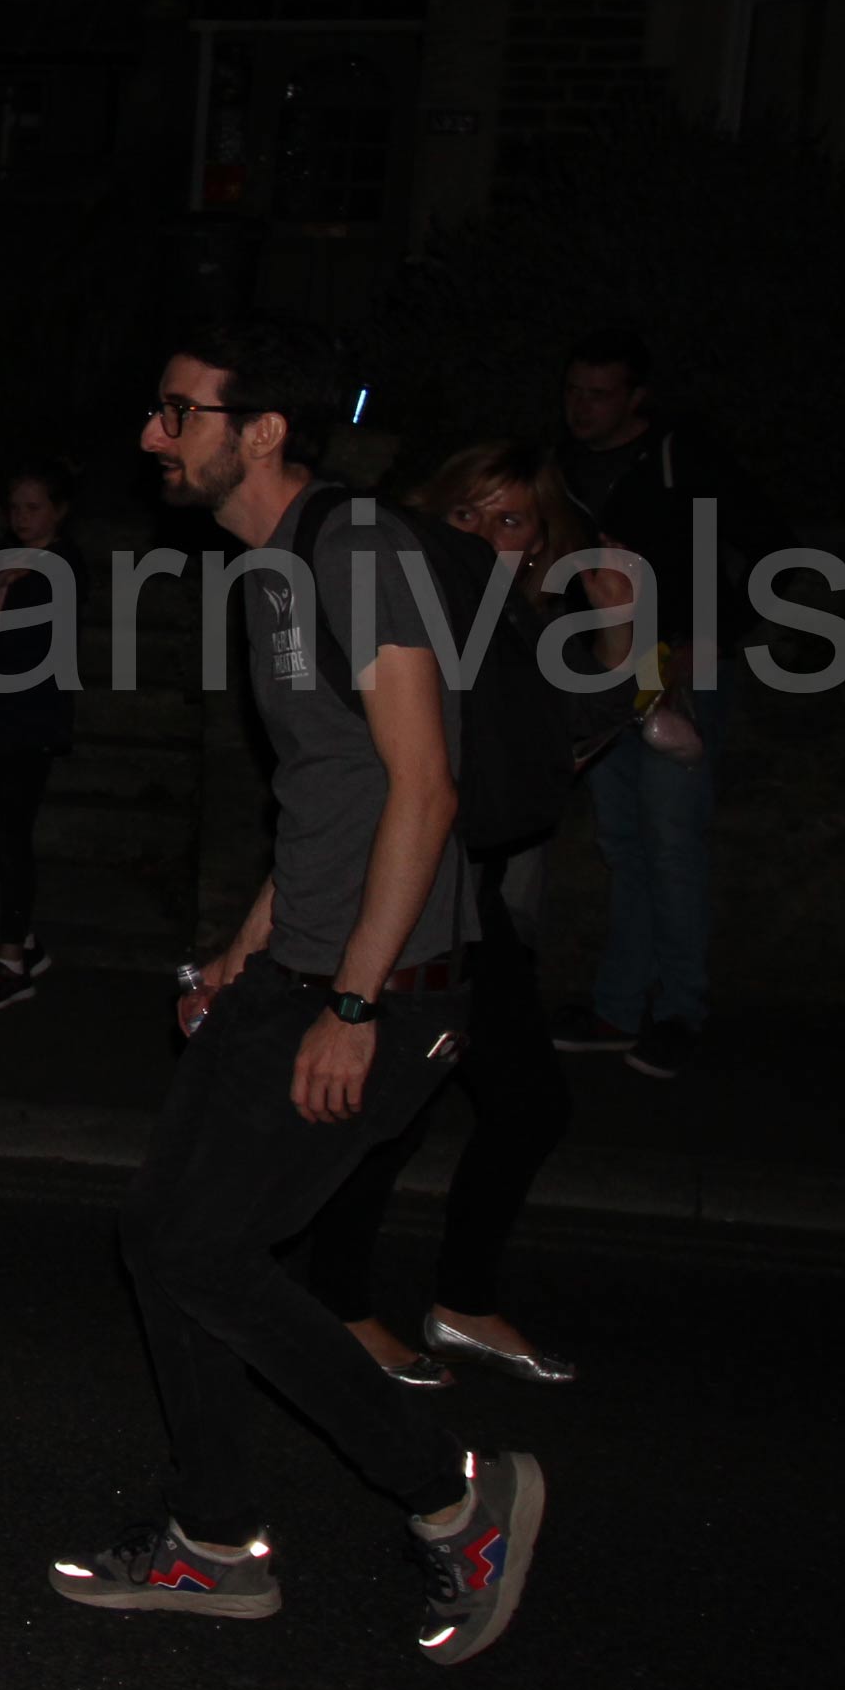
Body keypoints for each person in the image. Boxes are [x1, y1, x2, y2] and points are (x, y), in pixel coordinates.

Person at [49, 319, 543, 1668]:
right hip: (297, 970)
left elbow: (426, 789)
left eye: (179, 413)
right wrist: (245, 948)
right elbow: (329, 793)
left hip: (383, 989)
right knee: (163, 1237)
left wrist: (358, 1006)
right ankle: (213, 1543)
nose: (153, 435)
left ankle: (455, 1500)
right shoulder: (270, 570)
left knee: (206, 1252)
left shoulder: (359, 551)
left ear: (261, 431)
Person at [304, 441, 631, 1388]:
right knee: (393, 1110)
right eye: (466, 515)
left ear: (539, 541)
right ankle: (339, 1306)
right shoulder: (412, 612)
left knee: (523, 1105)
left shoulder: (518, 625)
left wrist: (619, 633)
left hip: (471, 899)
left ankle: (461, 1300)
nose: (486, 535)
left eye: (510, 519)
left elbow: (574, 735)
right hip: (408, 892)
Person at [549, 331, 786, 1080]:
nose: (581, 407)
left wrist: (705, 642)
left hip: (678, 670)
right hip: (601, 670)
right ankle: (619, 1007)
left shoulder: (685, 459)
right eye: (573, 391)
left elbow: (772, 552)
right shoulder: (562, 467)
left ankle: (681, 1010)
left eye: (599, 394)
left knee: (672, 841)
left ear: (635, 398)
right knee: (623, 842)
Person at [0, 456, 82, 1012]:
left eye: (34, 507)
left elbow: (24, 639)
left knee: (12, 837)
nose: (22, 517)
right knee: (3, 832)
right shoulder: (5, 558)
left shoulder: (63, 566)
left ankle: (11, 962)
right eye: (15, 507)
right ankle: (26, 943)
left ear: (59, 511)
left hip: (27, 721)